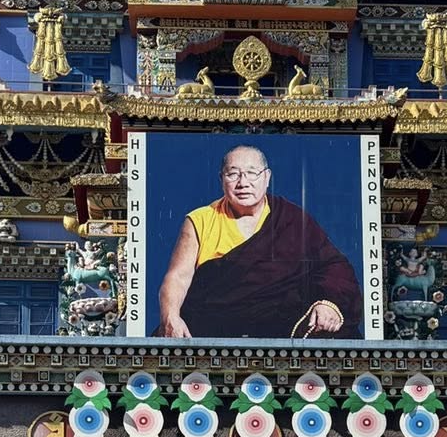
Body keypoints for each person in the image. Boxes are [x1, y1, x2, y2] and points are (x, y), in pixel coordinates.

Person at [156, 144, 364, 340]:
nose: (243, 183)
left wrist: (328, 303)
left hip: (282, 329)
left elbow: (333, 266)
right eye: (233, 174)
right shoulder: (201, 220)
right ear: (221, 179)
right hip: (213, 328)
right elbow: (178, 276)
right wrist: (170, 316)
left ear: (267, 177)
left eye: (252, 173)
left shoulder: (291, 219)